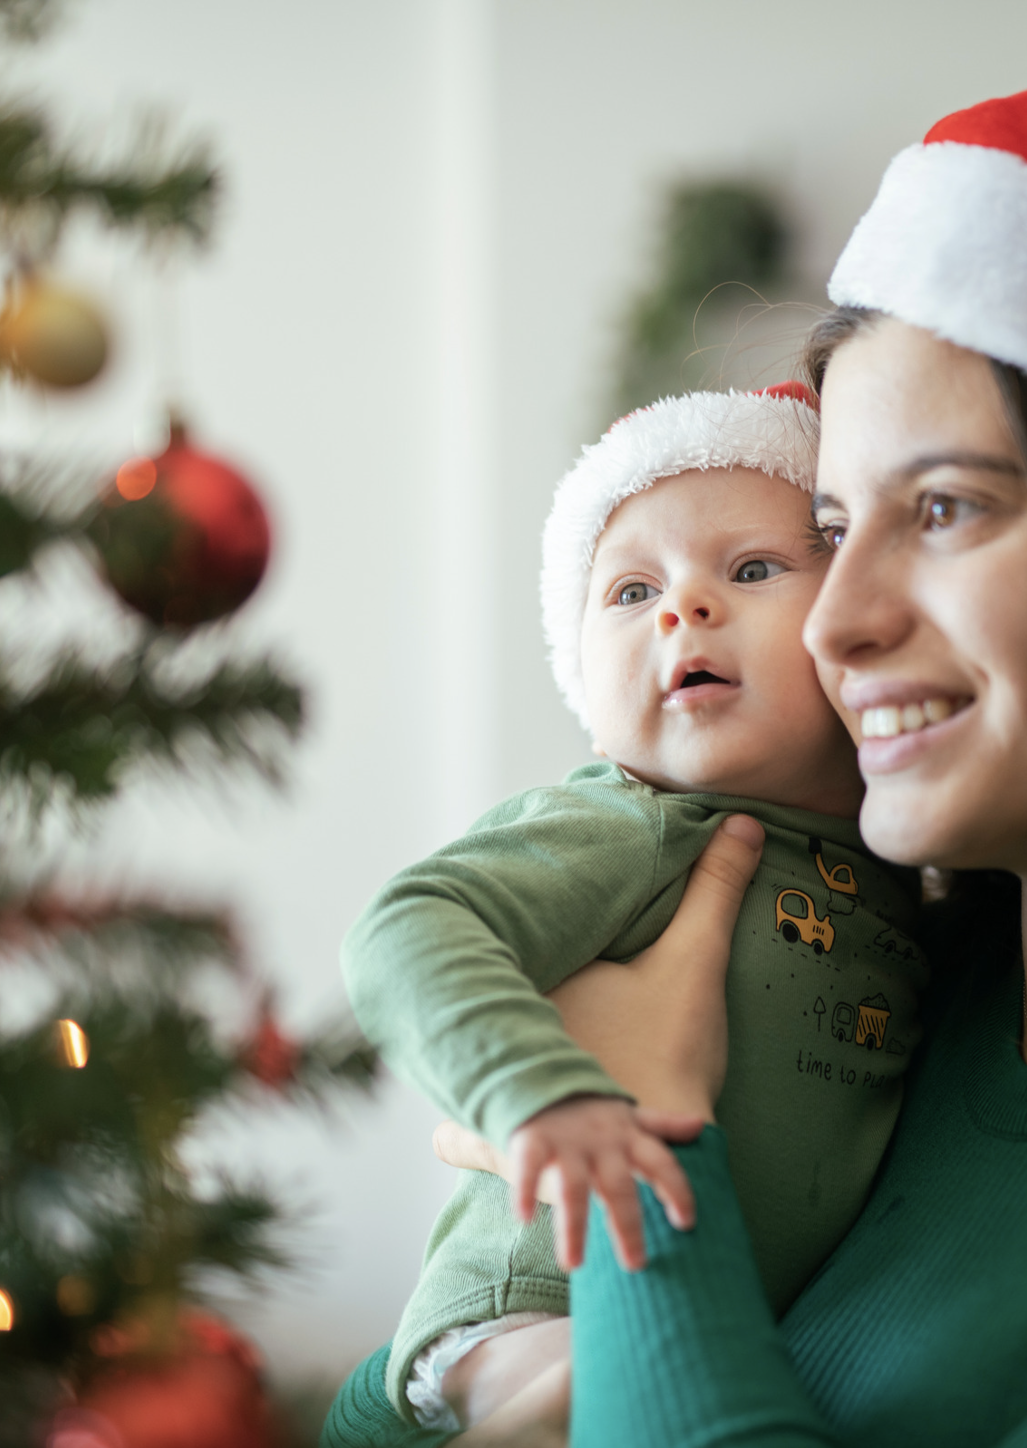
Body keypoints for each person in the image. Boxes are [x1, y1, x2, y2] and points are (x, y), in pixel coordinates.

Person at [325, 39, 1027, 1448]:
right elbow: (367, 1425)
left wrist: (648, 1162)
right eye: (825, 535)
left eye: (943, 511)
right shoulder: (891, 991)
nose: (833, 622)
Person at [339, 386, 929, 1435]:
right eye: (628, 590)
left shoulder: (909, 871)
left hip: (733, 1315)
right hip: (539, 1305)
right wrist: (543, 1097)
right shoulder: (634, 822)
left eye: (750, 569)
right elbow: (408, 923)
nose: (680, 608)